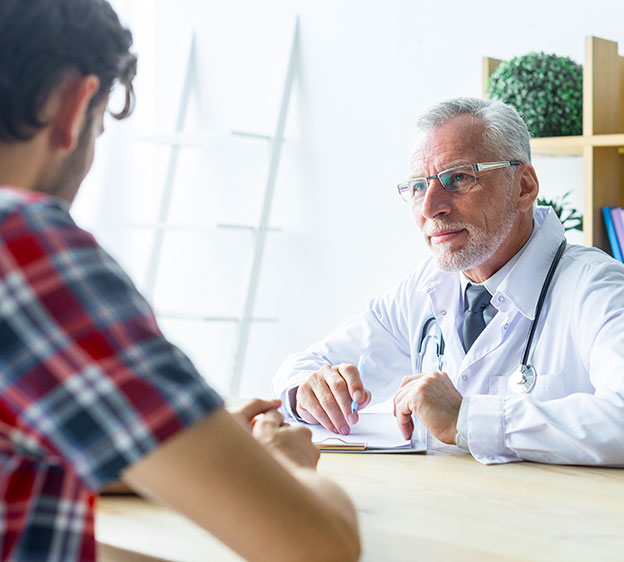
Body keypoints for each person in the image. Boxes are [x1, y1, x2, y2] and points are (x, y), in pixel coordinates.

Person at [0, 2, 360, 561]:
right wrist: (278, 465)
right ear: (75, 105)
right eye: (100, 125)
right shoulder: (22, 244)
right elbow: (319, 547)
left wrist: (191, 446)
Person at [273, 96, 624, 467]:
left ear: (524, 187)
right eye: (418, 186)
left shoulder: (597, 288)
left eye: (458, 178)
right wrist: (307, 391)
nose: (429, 208)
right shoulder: (425, 287)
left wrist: (467, 418)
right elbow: (306, 365)